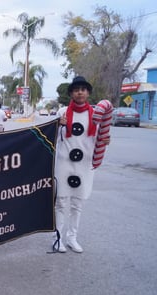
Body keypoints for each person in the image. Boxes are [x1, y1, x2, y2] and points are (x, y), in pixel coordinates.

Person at [53, 76, 111, 253]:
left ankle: (72, 238)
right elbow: (50, 137)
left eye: (83, 89)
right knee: (61, 201)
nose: (80, 92)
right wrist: (57, 125)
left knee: (78, 203)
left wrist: (106, 141)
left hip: (84, 164)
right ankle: (58, 239)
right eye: (76, 89)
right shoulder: (62, 112)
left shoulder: (96, 114)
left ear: (88, 93)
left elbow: (101, 136)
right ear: (71, 93)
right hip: (63, 163)